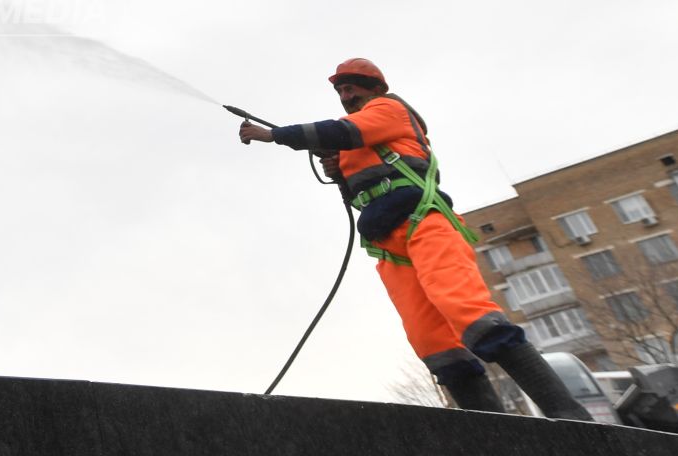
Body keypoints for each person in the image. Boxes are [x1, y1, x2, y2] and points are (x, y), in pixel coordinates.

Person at [238, 58, 592, 420]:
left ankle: (568, 414)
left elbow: (341, 132)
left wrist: (275, 135)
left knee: (472, 316)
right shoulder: (354, 142)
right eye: (341, 90)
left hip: (425, 224)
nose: (346, 94)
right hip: (389, 247)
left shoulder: (389, 109)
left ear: (377, 88)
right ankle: (493, 433)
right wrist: (339, 171)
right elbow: (357, 176)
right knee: (434, 344)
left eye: (353, 86)